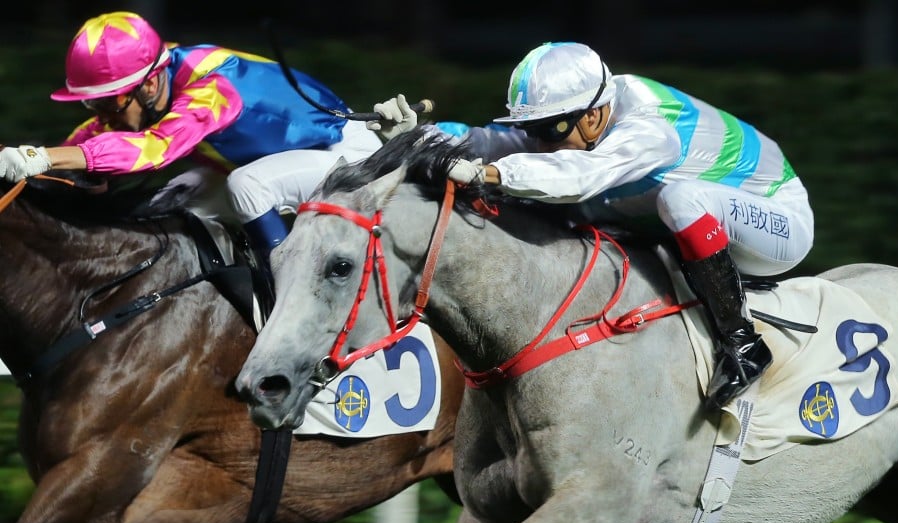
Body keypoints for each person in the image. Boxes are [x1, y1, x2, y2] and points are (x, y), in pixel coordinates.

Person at [371, 41, 814, 411]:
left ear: (594, 114)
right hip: (681, 222)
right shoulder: (574, 119)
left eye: (551, 129)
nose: (540, 143)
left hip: (774, 222)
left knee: (676, 198)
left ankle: (744, 344)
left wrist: (491, 174)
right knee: (570, 210)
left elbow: (578, 176)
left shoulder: (649, 126)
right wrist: (417, 136)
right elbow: (490, 142)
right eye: (532, 129)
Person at [0, 10, 382, 268]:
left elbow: (154, 149)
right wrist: (40, 161)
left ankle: (295, 306)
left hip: (344, 155)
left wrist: (45, 157)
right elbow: (96, 136)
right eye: (92, 103)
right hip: (271, 159)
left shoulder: (212, 90)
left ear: (148, 84)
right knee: (174, 200)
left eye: (109, 101)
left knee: (246, 186)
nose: (103, 114)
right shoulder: (151, 79)